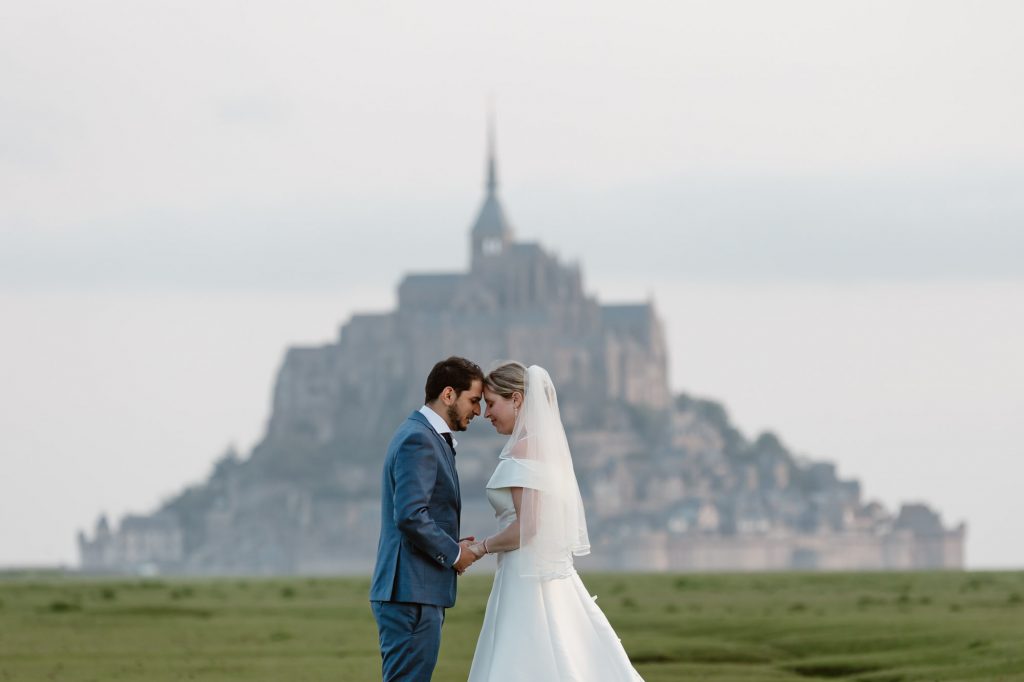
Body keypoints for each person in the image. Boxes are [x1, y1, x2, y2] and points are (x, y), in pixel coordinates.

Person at [466, 361, 645, 681]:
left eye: (492, 404)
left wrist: (480, 548)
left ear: (517, 399)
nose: (487, 413)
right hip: (535, 570)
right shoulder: (542, 447)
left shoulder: (525, 449)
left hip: (524, 573)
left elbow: (529, 528)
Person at [369, 356, 486, 681]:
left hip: (415, 592)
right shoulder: (419, 439)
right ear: (448, 395)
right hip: (410, 595)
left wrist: (452, 546)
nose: (478, 411)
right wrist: (454, 554)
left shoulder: (424, 436)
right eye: (474, 400)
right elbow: (410, 516)